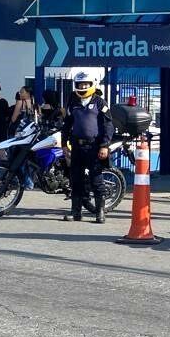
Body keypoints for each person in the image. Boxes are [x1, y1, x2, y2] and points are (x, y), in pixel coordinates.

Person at [60, 69, 113, 224]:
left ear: (91, 84)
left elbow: (108, 125)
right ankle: (76, 212)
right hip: (77, 147)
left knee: (96, 180)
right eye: (80, 84)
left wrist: (104, 145)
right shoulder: (73, 102)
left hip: (94, 148)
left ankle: (100, 213)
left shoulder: (99, 102)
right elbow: (67, 124)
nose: (82, 87)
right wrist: (64, 144)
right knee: (76, 180)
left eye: (85, 84)